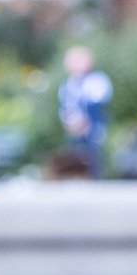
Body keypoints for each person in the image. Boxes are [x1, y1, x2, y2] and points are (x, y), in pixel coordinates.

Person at [58, 45, 113, 179]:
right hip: (74, 127)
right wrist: (68, 120)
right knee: (75, 156)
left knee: (93, 156)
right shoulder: (69, 82)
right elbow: (65, 104)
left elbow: (98, 102)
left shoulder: (96, 80)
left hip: (92, 126)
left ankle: (95, 179)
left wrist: (84, 121)